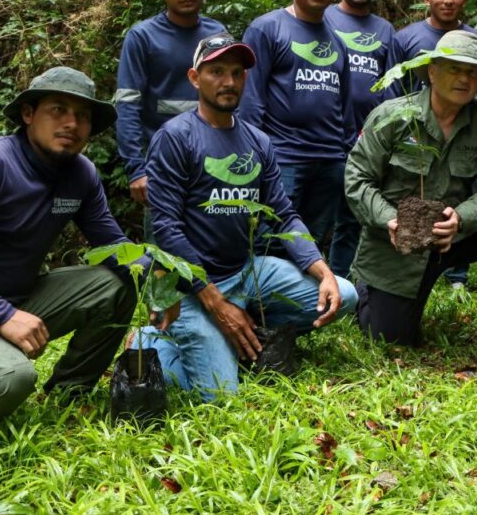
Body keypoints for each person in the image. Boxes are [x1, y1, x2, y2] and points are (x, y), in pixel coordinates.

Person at [0, 68, 150, 432]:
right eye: (58, 109)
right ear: (28, 114)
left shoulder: (80, 174)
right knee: (9, 377)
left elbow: (113, 246)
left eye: (83, 115)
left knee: (118, 284)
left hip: (17, 295)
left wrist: (165, 279)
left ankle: (68, 393)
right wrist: (2, 316)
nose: (71, 123)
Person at [141, 33, 357, 400]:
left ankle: (243, 333)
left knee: (344, 294)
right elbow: (165, 227)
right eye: (217, 72)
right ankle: (153, 341)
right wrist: (214, 302)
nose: (229, 82)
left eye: (238, 73)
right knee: (222, 396)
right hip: (190, 288)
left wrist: (321, 270)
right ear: (195, 78)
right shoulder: (175, 137)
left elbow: (284, 215)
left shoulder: (258, 141)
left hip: (244, 272)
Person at [346, 30, 477, 346]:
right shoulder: (392, 117)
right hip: (398, 243)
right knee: (389, 338)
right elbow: (357, 180)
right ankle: (364, 292)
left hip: (454, 237)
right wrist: (389, 219)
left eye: (472, 72)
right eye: (454, 69)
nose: (464, 79)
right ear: (432, 72)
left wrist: (460, 218)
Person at [392, 0, 477, 289]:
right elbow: (393, 88)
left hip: (464, 131)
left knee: (460, 193)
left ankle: (457, 274)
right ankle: (408, 269)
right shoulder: (407, 38)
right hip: (416, 132)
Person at [239, 0, 351, 246]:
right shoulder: (266, 28)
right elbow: (250, 99)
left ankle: (307, 293)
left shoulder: (337, 41)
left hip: (329, 161)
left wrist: (343, 154)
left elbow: (343, 104)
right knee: (271, 240)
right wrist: (256, 157)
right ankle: (265, 293)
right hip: (283, 158)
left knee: (311, 243)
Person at [115, 0, 226, 215]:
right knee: (164, 250)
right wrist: (136, 169)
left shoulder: (217, 35)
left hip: (212, 163)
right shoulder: (143, 36)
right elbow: (127, 103)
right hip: (163, 166)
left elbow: (230, 99)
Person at [324, 0, 396, 279]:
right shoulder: (323, 20)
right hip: (326, 135)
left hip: (368, 138)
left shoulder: (385, 29)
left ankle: (348, 283)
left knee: (354, 217)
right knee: (316, 214)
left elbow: (391, 84)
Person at [391, 0, 477, 113]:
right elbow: (391, 96)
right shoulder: (404, 39)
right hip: (414, 128)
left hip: (465, 129)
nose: (448, 0)